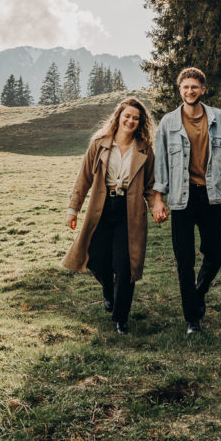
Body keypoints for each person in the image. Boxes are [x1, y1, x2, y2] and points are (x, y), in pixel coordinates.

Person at [150, 68, 221, 335]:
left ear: (203, 89)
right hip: (181, 199)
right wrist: (158, 199)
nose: (190, 91)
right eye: (185, 87)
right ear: (179, 90)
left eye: (195, 87)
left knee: (216, 253)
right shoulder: (168, 123)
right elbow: (162, 165)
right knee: (184, 260)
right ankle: (192, 319)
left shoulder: (218, 118)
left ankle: (197, 294)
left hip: (210, 195)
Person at [62, 97, 156, 335]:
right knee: (94, 257)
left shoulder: (145, 149)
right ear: (118, 117)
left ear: (140, 122)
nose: (131, 121)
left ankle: (121, 317)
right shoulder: (99, 144)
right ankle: (109, 290)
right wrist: (73, 209)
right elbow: (83, 178)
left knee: (126, 266)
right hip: (102, 208)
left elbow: (151, 186)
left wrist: (157, 205)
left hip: (130, 211)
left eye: (136, 118)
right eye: (127, 116)